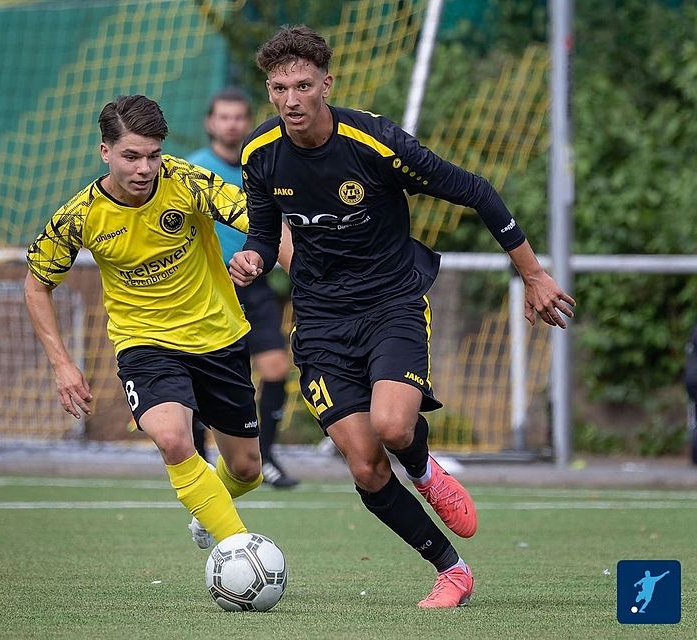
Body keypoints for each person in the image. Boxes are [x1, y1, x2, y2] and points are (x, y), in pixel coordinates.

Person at [230, 26, 576, 608]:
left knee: (392, 429)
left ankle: (422, 467)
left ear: (326, 85)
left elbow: (476, 190)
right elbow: (266, 236)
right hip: (318, 319)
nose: (291, 100)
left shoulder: (375, 142)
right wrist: (253, 258)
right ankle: (452, 570)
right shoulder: (260, 155)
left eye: (303, 86)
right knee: (364, 464)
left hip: (391, 303)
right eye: (279, 88)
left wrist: (533, 273)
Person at [25, 95, 289, 551]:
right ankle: (242, 552)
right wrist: (61, 364)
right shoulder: (81, 215)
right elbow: (35, 284)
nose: (144, 168)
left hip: (218, 338)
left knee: (247, 470)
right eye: (131, 156)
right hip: (145, 345)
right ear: (105, 151)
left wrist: (259, 255)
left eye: (153, 155)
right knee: (171, 437)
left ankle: (210, 510)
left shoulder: (186, 181)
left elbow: (261, 221)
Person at [186, 88, 298, 489]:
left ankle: (266, 458)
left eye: (239, 117)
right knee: (203, 376)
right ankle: (199, 464)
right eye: (224, 117)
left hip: (256, 285)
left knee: (275, 368)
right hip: (208, 289)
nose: (231, 124)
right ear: (210, 122)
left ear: (248, 122)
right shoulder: (192, 170)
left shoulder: (261, 165)